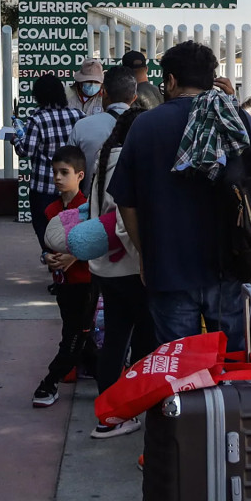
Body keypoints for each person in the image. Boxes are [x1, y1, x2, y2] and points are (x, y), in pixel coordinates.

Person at [108, 41, 251, 348]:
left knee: (179, 370)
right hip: (230, 266)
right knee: (228, 368)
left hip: (169, 268)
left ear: (171, 80)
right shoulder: (235, 119)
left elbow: (125, 200)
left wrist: (146, 253)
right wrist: (233, 104)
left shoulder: (146, 124)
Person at [88, 108, 157, 437]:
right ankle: (127, 409)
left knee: (115, 339)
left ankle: (108, 414)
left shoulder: (106, 156)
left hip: (106, 267)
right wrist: (144, 257)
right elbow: (123, 222)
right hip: (129, 267)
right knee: (144, 339)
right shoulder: (128, 160)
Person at [32, 145, 94, 407]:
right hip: (63, 285)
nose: (57, 178)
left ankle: (49, 382)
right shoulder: (50, 210)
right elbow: (48, 247)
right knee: (81, 336)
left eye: (64, 172)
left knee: (73, 335)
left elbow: (98, 244)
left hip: (86, 283)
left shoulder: (89, 208)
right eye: (54, 172)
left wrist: (75, 256)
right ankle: (109, 379)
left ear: (80, 175)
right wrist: (47, 258)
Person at [14, 74, 83, 249]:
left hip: (44, 187)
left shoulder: (37, 119)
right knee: (73, 231)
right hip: (74, 186)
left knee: (46, 232)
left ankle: (53, 263)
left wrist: (16, 139)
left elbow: (25, 151)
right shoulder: (78, 114)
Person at [69, 66, 137, 196]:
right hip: (132, 210)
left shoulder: (82, 126)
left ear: (103, 93)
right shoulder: (145, 127)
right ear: (134, 98)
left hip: (90, 206)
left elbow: (69, 169)